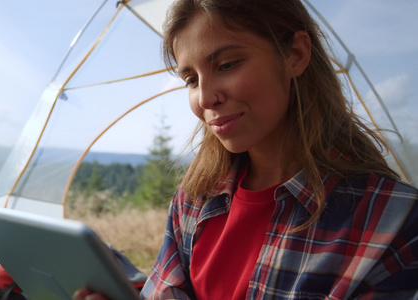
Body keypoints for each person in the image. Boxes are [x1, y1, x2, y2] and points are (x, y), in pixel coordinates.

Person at [75, 0, 418, 299]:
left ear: (295, 55)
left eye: (226, 65)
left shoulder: (394, 224)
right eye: (191, 79)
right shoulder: (193, 200)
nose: (205, 98)